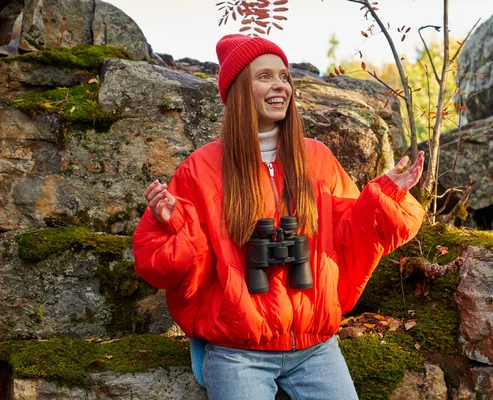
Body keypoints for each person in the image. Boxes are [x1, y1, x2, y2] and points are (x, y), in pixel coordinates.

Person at [133, 34, 425, 400]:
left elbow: (352, 232)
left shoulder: (316, 158)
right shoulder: (202, 168)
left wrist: (386, 194)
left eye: (284, 77)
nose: (280, 86)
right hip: (238, 351)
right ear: (240, 90)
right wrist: (173, 224)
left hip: (315, 346)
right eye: (265, 76)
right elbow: (158, 265)